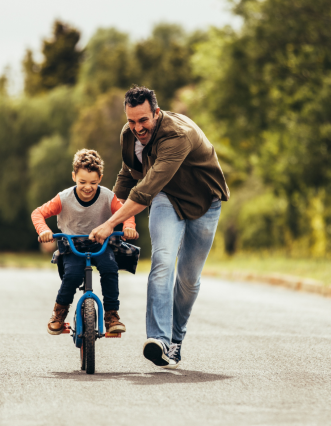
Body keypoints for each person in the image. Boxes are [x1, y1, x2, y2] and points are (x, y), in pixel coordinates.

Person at [90, 85, 229, 369]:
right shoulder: (128, 135)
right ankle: (160, 341)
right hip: (167, 198)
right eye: (131, 121)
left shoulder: (176, 135)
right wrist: (104, 212)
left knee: (189, 279)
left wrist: (110, 223)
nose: (137, 127)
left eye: (143, 120)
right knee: (163, 261)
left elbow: (145, 191)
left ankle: (176, 340)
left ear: (156, 112)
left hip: (205, 201)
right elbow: (128, 174)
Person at [32, 149, 139, 336]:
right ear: (74, 177)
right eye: (82, 182)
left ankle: (112, 316)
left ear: (101, 178)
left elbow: (126, 212)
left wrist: (129, 226)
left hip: (100, 243)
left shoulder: (107, 196)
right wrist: (44, 231)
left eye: (93, 182)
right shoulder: (64, 198)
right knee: (72, 275)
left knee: (109, 268)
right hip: (72, 246)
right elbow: (38, 213)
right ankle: (59, 314)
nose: (87, 187)